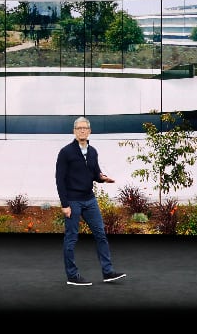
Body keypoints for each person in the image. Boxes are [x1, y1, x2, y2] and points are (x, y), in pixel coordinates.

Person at [55, 116, 126, 286]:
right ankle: (72, 276)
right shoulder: (66, 152)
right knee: (71, 238)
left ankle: (108, 272)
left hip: (90, 200)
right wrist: (65, 204)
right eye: (78, 128)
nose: (82, 130)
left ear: (89, 131)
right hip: (73, 201)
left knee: (101, 234)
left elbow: (95, 173)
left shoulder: (93, 151)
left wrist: (103, 179)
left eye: (84, 128)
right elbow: (59, 179)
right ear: (74, 131)